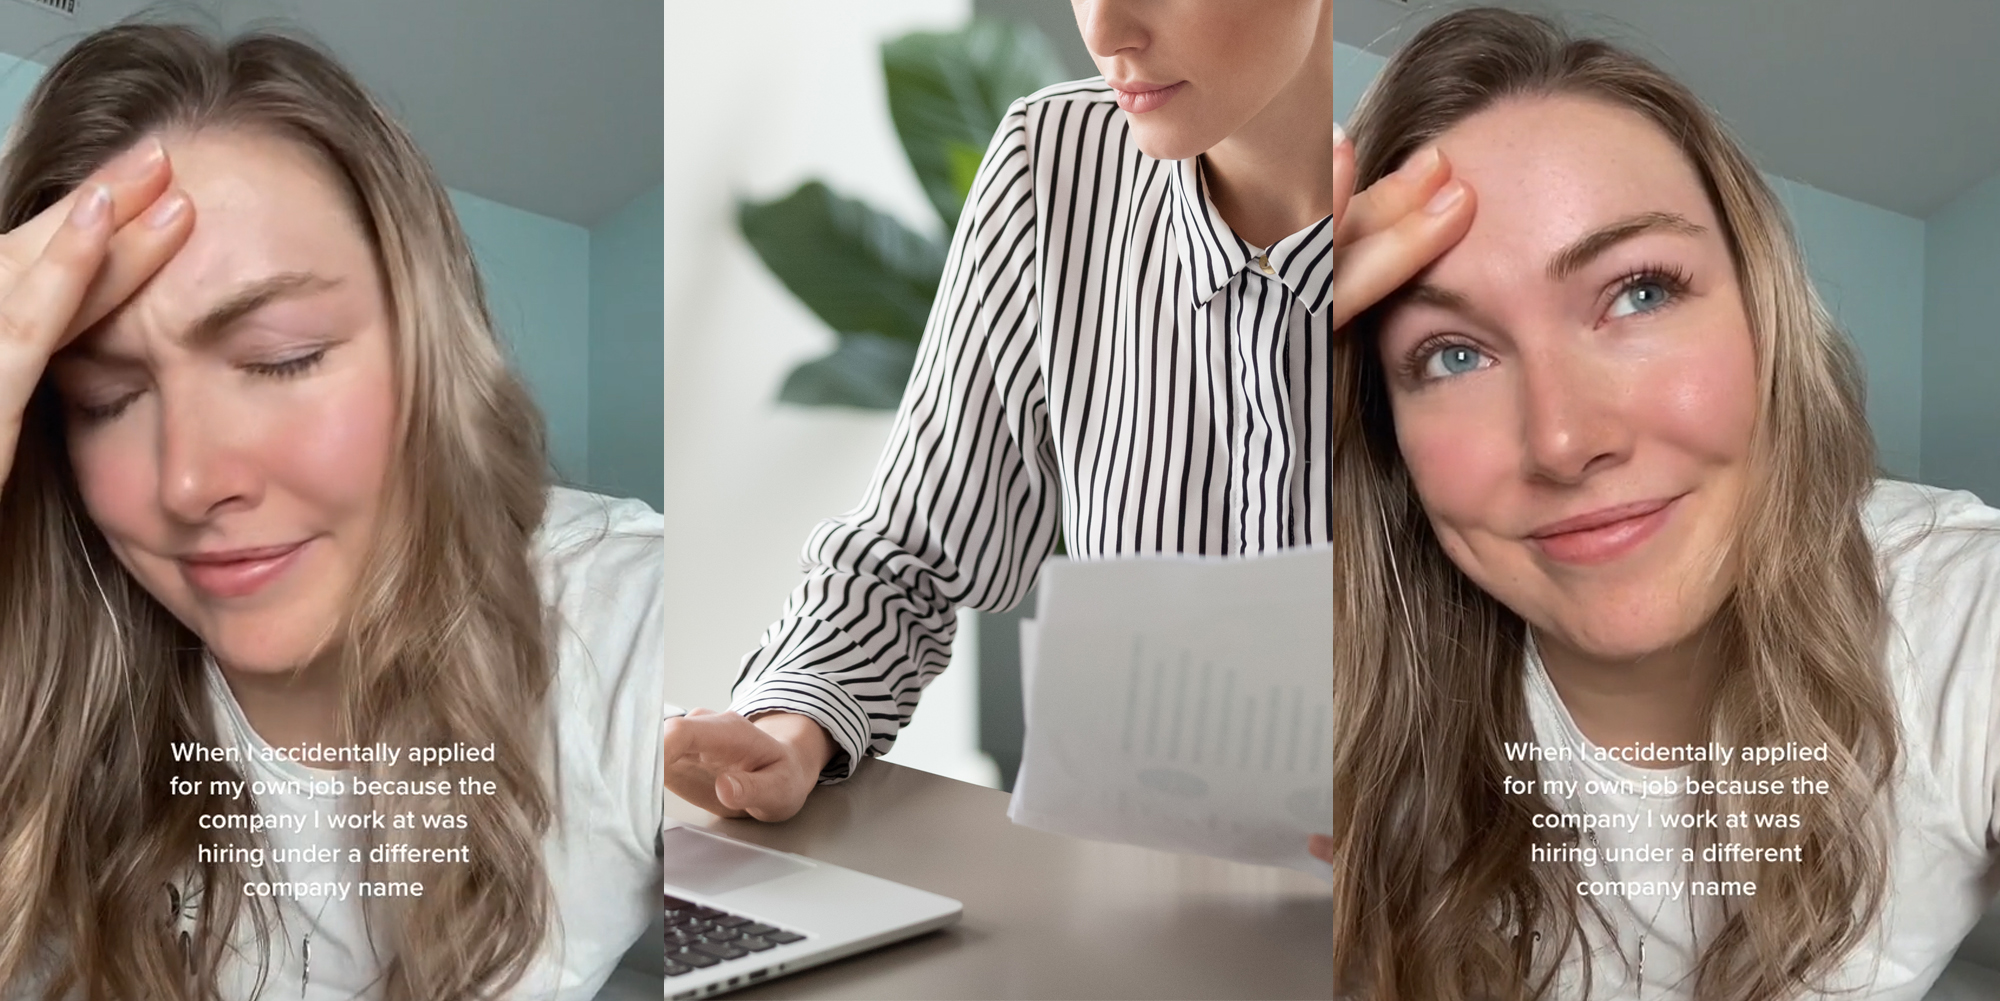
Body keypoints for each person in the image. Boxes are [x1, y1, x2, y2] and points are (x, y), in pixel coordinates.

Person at [663, 0, 1476, 838]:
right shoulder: (1050, 167)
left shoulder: (1462, 186)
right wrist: (793, 728)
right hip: (1125, 903)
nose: (1103, 31)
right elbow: (913, 554)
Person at [1320, 8, 1999, 1001]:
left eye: (1635, 291)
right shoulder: (1329, 673)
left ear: (1761, 315)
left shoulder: (1958, 612)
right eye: (1450, 354)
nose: (1561, 439)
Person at [0, 23, 663, 1001]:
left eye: (281, 355)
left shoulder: (630, 620)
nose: (188, 482)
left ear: (427, 353)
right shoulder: (49, 661)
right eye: (105, 399)